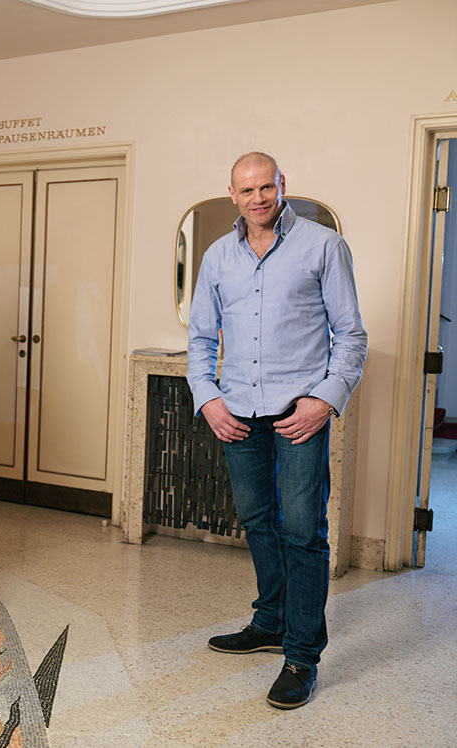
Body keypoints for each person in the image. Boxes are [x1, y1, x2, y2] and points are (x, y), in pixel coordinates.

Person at [186, 152, 366, 709]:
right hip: (238, 410)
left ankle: (301, 656)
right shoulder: (217, 256)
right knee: (258, 520)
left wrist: (324, 400)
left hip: (299, 413)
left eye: (267, 187)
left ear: (282, 185)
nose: (258, 198)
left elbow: (351, 336)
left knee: (303, 531)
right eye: (247, 190)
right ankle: (270, 621)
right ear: (232, 194)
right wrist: (209, 400)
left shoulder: (323, 246)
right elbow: (201, 339)